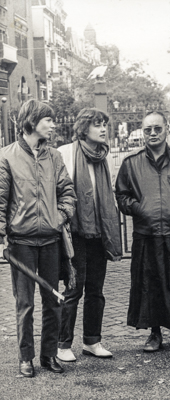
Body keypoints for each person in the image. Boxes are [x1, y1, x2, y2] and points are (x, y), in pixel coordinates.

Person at [115, 111, 170, 352]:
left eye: (157, 128)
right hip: (145, 234)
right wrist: (138, 208)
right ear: (142, 132)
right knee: (149, 284)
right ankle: (154, 333)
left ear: (167, 130)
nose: (152, 133)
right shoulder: (130, 163)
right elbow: (122, 196)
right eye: (147, 130)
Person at [0, 99, 76, 377]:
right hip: (21, 243)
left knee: (53, 300)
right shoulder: (6, 156)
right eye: (48, 120)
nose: (53, 125)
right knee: (25, 303)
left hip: (50, 242)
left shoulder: (54, 156)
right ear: (32, 121)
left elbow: (68, 192)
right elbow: (0, 200)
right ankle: (25, 357)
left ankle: (48, 354)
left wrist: (60, 217)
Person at [57, 108, 122, 362]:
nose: (103, 128)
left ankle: (92, 341)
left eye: (104, 124)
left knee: (96, 289)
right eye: (97, 124)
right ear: (83, 128)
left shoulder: (103, 155)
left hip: (99, 232)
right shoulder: (66, 153)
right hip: (75, 232)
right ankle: (63, 345)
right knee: (74, 289)